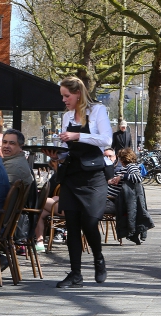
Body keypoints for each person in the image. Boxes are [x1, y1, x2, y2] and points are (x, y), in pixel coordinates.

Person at [53, 76, 112, 288]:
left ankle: (98, 258)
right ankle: (76, 274)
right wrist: (55, 154)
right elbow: (68, 147)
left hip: (93, 176)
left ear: (78, 94)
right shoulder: (67, 116)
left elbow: (106, 140)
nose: (64, 100)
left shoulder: (97, 110)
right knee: (72, 225)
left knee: (89, 222)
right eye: (62, 96)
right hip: (72, 175)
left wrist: (77, 136)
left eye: (67, 96)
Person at [106, 148, 154, 243]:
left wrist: (121, 177)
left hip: (112, 200)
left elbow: (137, 177)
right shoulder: (126, 167)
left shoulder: (131, 166)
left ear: (122, 159)